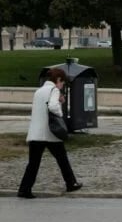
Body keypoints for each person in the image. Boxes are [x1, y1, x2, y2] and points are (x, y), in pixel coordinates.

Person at [18, 69, 82, 198]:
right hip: (50, 133)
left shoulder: (39, 91)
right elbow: (53, 107)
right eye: (62, 82)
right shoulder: (54, 90)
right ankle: (71, 183)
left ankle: (24, 189)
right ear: (58, 79)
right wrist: (60, 110)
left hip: (36, 133)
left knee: (33, 163)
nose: (62, 85)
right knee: (62, 158)